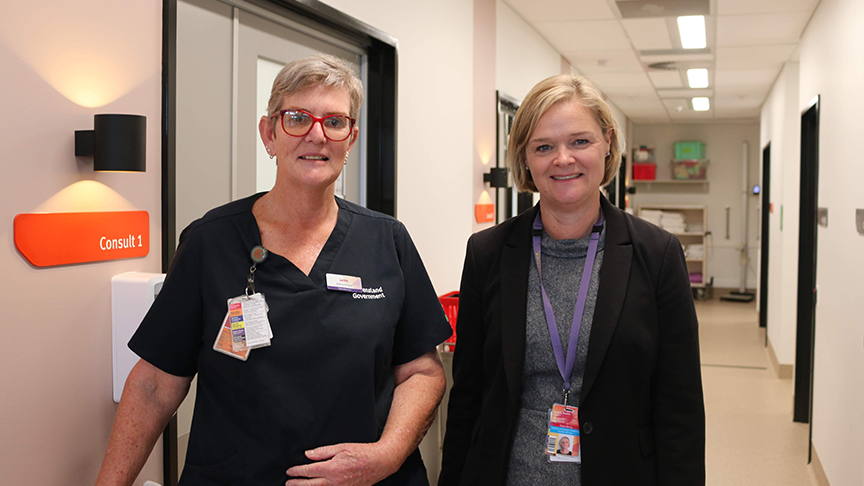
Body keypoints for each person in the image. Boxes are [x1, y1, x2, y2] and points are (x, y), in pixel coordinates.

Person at [95, 54, 452, 486]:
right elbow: (154, 384)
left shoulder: (387, 240)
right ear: (269, 133)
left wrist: (387, 455)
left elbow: (422, 370)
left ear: (351, 138)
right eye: (298, 118)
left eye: (335, 122)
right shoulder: (211, 241)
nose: (317, 135)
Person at [439, 74, 705, 485]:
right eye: (544, 146)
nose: (563, 159)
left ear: (608, 144)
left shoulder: (658, 255)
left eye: (580, 141)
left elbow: (680, 407)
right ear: (526, 158)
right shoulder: (488, 254)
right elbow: (468, 395)